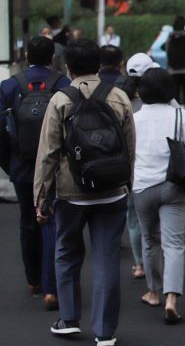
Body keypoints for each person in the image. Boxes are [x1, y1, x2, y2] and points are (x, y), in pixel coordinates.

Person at [33, 39, 135, 346]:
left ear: (68, 67)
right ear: (100, 63)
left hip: (71, 193)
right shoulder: (119, 96)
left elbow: (48, 153)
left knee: (66, 252)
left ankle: (69, 319)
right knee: (106, 260)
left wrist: (41, 195)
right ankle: (105, 332)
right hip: (112, 191)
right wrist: (125, 183)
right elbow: (130, 148)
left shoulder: (60, 99)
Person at [132, 68, 185, 323]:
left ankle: (152, 291)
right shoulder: (180, 116)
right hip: (175, 187)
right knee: (174, 243)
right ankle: (171, 298)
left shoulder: (133, 118)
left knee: (150, 240)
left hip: (142, 188)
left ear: (142, 91)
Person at [0, 36, 70, 310]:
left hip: (22, 168)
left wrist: (11, 167)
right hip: (54, 168)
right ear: (53, 57)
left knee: (28, 221)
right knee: (52, 223)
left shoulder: (8, 87)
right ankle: (51, 288)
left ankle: (33, 280)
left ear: (26, 55)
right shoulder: (63, 85)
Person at [119, 53, 161, 280]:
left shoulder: (121, 98)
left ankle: (139, 265)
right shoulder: (157, 95)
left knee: (134, 218)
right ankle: (157, 263)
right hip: (158, 165)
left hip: (131, 167)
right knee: (159, 220)